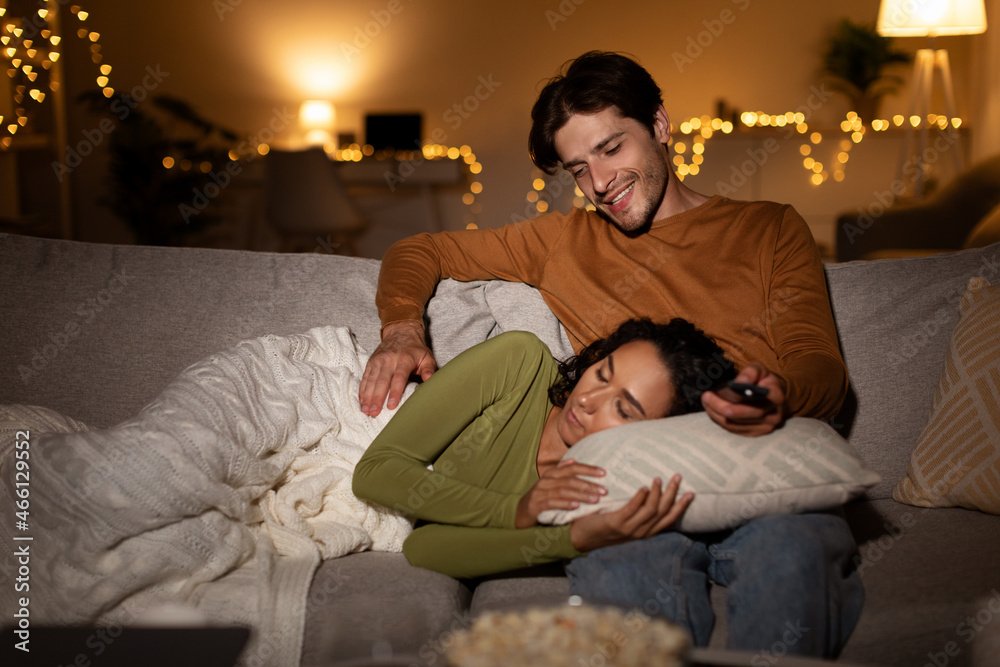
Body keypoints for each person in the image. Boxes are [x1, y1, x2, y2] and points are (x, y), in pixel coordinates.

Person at [357, 51, 861, 656]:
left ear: (661, 125)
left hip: (751, 475)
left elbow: (819, 364)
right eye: (578, 167)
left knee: (794, 558)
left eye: (612, 148)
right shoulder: (561, 240)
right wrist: (401, 330)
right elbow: (420, 251)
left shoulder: (769, 229)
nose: (599, 183)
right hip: (624, 490)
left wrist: (780, 395)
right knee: (629, 601)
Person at [353, 318, 736, 579]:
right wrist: (517, 510)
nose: (587, 400)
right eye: (601, 373)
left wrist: (570, 541)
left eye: (622, 408)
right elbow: (375, 471)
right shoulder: (521, 362)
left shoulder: (598, 495)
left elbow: (422, 548)